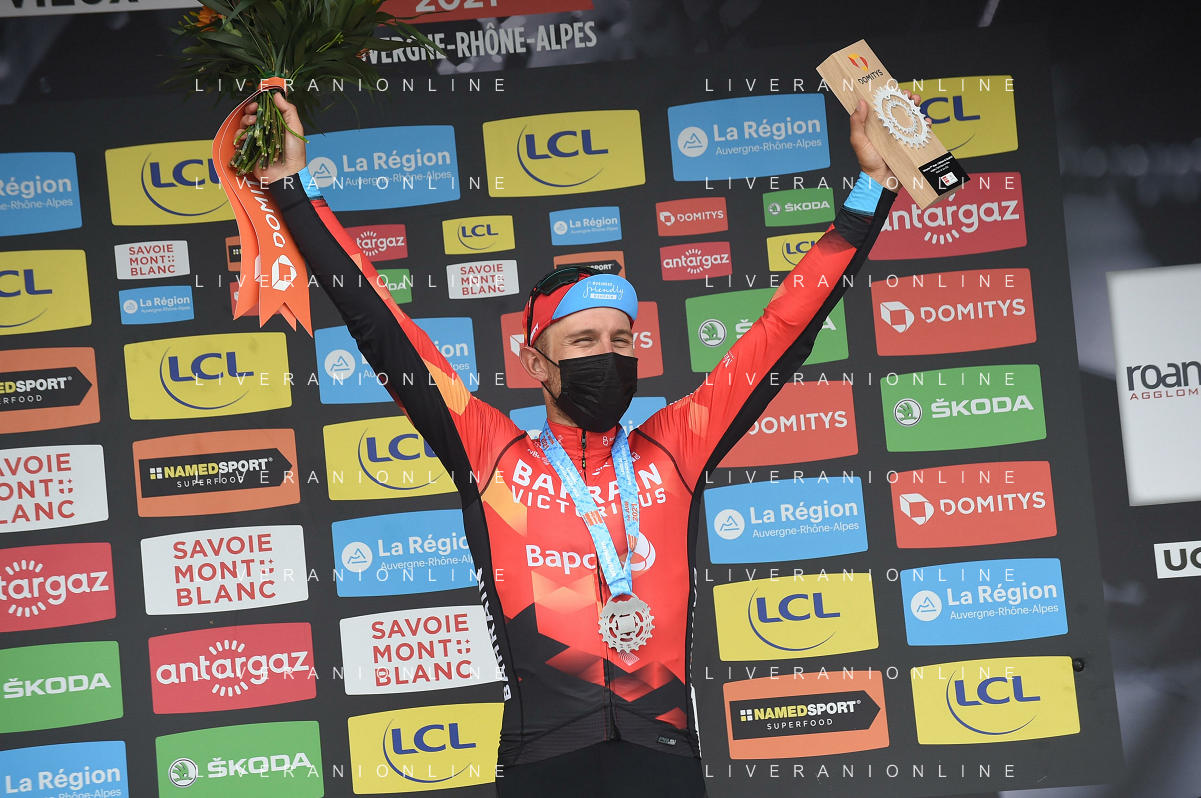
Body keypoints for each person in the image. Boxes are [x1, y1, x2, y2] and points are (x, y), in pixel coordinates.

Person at [242, 86, 923, 798]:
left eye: (621, 340)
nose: (608, 354)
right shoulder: (491, 452)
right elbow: (380, 323)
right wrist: (292, 189)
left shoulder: (676, 446)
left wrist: (872, 191)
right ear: (535, 362)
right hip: (543, 762)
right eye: (584, 341)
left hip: (663, 757)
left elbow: (786, 327)